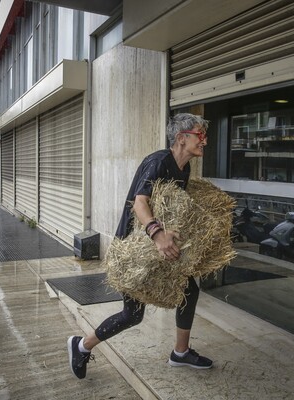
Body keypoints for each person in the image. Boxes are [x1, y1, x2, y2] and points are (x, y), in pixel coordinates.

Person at [67, 113, 212, 379]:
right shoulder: (158, 162)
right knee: (133, 315)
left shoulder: (184, 168)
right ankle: (81, 345)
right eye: (199, 135)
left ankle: (180, 353)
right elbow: (140, 202)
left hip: (157, 249)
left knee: (189, 288)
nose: (204, 140)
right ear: (182, 138)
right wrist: (158, 235)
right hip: (135, 250)